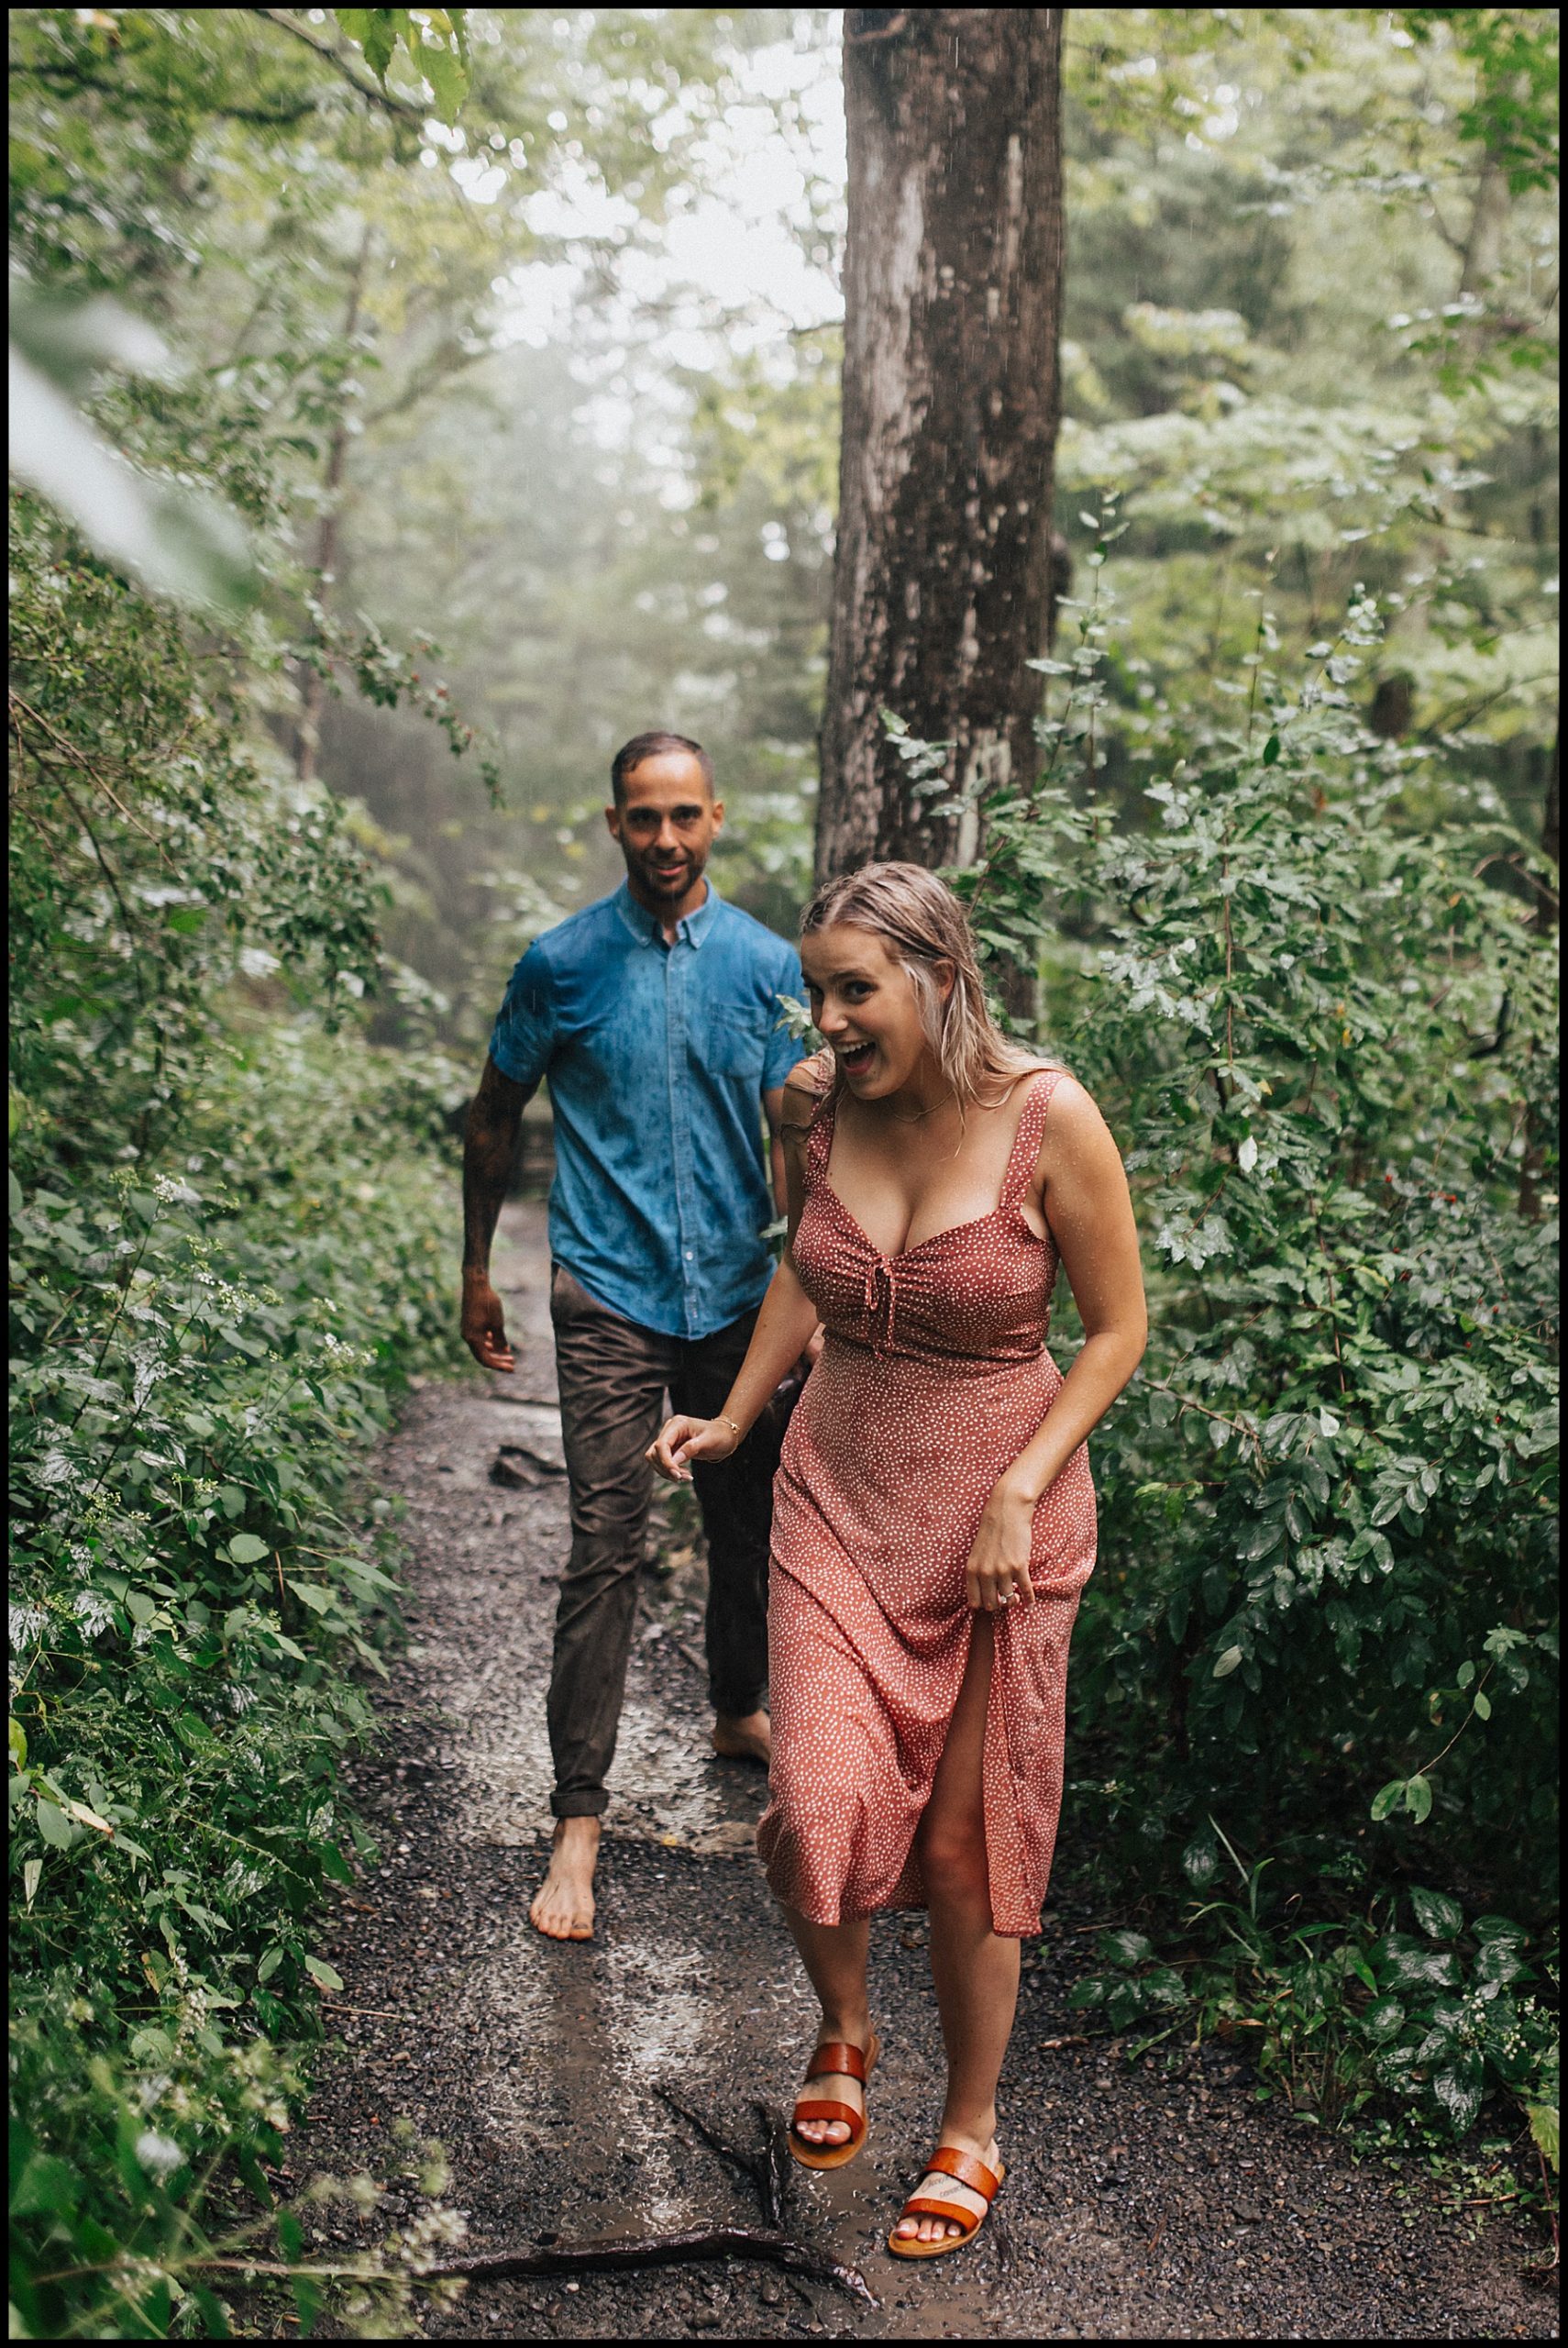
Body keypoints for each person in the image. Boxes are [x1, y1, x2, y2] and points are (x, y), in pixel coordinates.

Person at [649, 862, 1146, 2260]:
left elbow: (1114, 1329)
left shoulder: (1050, 1117)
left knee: (963, 1840)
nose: (828, 1016)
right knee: (817, 1798)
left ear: (938, 976)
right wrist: (739, 1417)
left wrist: (1021, 1488)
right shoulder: (815, 1108)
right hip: (836, 1492)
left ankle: (969, 2130)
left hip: (1001, 1518)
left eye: (852, 988)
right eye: (816, 989)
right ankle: (847, 2023)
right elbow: (806, 1270)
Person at [461, 731, 809, 1943]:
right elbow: (494, 1114)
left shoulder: (768, 967)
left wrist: (804, 1294)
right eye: (641, 819)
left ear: (715, 818)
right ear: (613, 825)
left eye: (683, 816)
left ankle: (732, 1707)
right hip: (603, 1289)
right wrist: (473, 1269)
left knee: (746, 1525)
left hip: (731, 1292)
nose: (664, 839)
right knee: (604, 1545)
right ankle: (574, 1831)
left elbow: (795, 1142)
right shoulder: (560, 964)